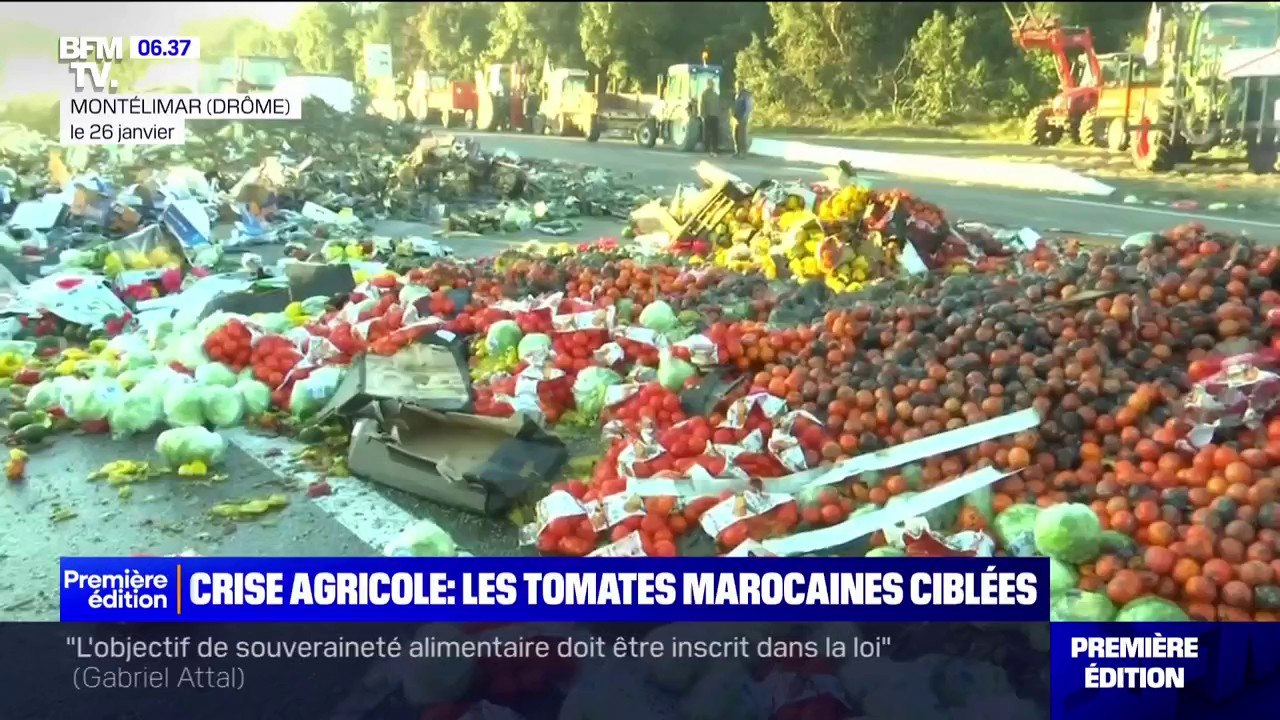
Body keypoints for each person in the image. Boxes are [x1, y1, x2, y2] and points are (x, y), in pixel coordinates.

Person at [698, 81, 721, 156]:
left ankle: (715, 148)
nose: (712, 85)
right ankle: (707, 148)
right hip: (709, 116)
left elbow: (718, 104)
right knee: (708, 133)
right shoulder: (705, 94)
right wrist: (703, 115)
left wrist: (719, 114)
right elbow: (702, 105)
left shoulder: (715, 94)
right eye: (711, 84)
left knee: (715, 133)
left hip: (715, 116)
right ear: (708, 85)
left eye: (713, 84)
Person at [731, 82, 753, 156]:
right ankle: (737, 151)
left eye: (738, 86)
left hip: (742, 118)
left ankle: (743, 152)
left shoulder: (746, 95)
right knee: (735, 135)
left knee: (741, 136)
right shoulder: (737, 95)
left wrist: (745, 116)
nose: (737, 88)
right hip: (736, 118)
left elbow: (748, 107)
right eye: (736, 86)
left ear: (742, 86)